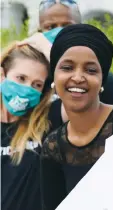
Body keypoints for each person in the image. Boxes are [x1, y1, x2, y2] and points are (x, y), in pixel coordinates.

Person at [40, 24, 113, 210]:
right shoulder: (53, 147)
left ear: (102, 80)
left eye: (91, 70)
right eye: (67, 67)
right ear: (54, 76)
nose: (78, 77)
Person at [37, 0, 113, 131]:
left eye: (67, 25)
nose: (77, 78)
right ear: (39, 31)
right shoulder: (36, 78)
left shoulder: (108, 82)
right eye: (51, 27)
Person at [1, 43, 53, 210]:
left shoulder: (48, 121)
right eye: (21, 78)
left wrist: (43, 45)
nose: (26, 89)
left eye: (36, 85)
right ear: (2, 75)